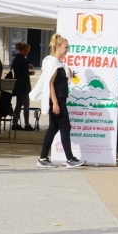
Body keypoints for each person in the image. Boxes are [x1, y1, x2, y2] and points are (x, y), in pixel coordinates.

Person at [31, 33, 85, 168]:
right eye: (66, 47)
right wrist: (55, 102)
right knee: (65, 128)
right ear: (58, 47)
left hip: (60, 99)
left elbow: (58, 80)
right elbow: (50, 84)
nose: (67, 50)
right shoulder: (52, 63)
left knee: (53, 129)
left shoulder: (58, 63)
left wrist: (69, 73)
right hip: (58, 100)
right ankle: (70, 159)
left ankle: (43, 158)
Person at [11, 42, 34, 131]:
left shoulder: (16, 59)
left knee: (18, 104)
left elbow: (19, 69)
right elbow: (25, 73)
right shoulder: (22, 60)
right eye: (26, 50)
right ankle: (27, 124)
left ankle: (15, 123)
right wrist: (31, 72)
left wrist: (27, 65)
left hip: (18, 85)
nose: (28, 52)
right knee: (26, 105)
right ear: (22, 50)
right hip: (24, 85)